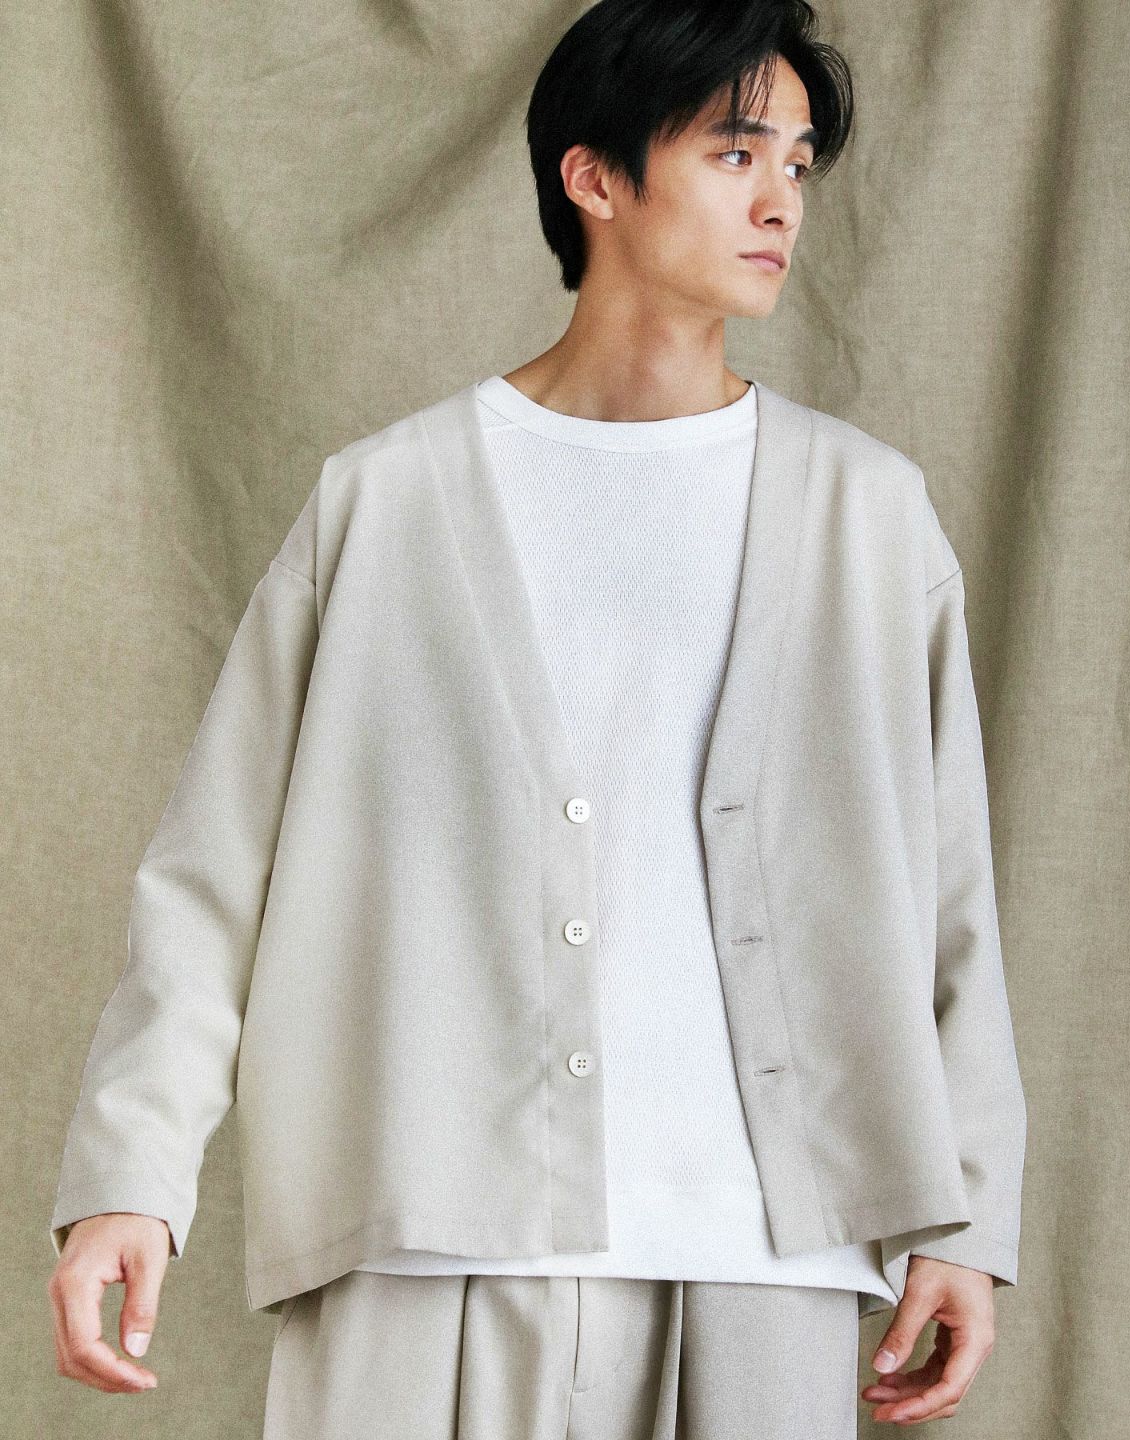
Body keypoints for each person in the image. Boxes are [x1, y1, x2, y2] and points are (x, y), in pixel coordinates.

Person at [47, 1, 1027, 1434]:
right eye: (733, 152)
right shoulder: (388, 503)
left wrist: (970, 1217)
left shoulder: (867, 517)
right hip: (430, 1241)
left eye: (799, 164)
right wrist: (130, 1177)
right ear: (595, 177)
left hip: (766, 1254)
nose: (779, 201)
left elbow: (952, 902)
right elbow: (214, 878)